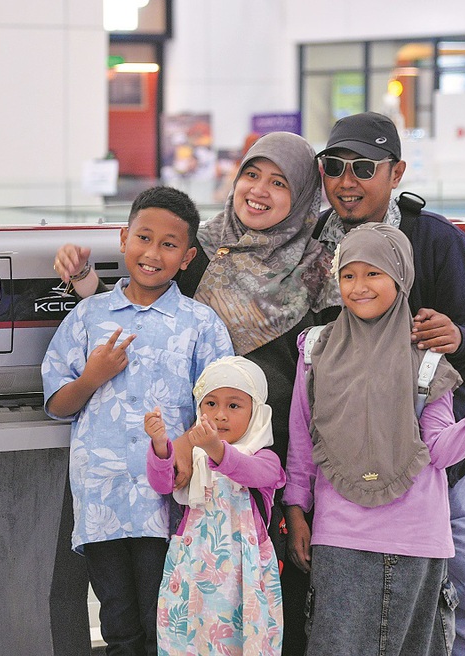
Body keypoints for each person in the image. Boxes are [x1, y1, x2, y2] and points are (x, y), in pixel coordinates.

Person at [54, 132, 339, 655]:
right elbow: (143, 300)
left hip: (273, 459)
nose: (258, 190)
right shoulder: (204, 249)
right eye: (251, 174)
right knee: (172, 614)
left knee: (265, 608)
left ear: (301, 194)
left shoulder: (320, 265)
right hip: (188, 470)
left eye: (279, 183)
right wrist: (89, 288)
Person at [283, 223, 465, 656]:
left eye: (373, 273)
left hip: (415, 540)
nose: (359, 287)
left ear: (400, 277)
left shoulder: (428, 361)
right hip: (339, 537)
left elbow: (438, 450)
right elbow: (303, 441)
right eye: (349, 275)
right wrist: (296, 509)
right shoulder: (316, 350)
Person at [313, 111, 465, 656]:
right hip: (350, 467)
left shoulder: (435, 239)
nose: (347, 181)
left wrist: (456, 337)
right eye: (335, 167)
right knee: (355, 608)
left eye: (364, 167)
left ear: (396, 172)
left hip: (443, 456)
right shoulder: (311, 247)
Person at [42, 185, 234, 656]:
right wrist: (93, 377)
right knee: (117, 622)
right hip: (101, 500)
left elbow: (223, 408)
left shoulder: (200, 324)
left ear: (187, 257)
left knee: (165, 618)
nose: (152, 253)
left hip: (166, 499)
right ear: (124, 237)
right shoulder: (88, 316)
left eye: (169, 245)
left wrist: (187, 446)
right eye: (143, 238)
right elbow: (56, 402)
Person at [145, 356, 285, 656]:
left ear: (256, 412)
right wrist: (160, 445)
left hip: (244, 575)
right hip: (192, 570)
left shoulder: (265, 459)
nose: (220, 415)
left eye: (233, 406)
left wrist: (214, 449)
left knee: (242, 641)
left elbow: (248, 472)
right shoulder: (194, 459)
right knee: (188, 641)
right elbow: (163, 483)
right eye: (210, 404)